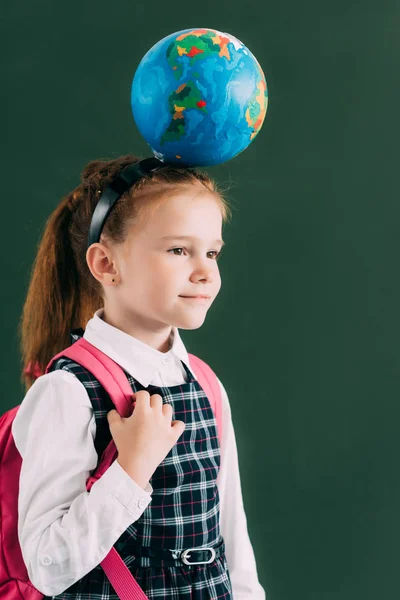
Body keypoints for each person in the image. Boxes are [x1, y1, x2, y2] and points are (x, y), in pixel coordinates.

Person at [12, 154, 266, 599]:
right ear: (107, 265)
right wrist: (130, 471)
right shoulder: (67, 391)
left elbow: (233, 542)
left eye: (212, 252)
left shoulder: (205, 384)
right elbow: (47, 567)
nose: (206, 271)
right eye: (178, 250)